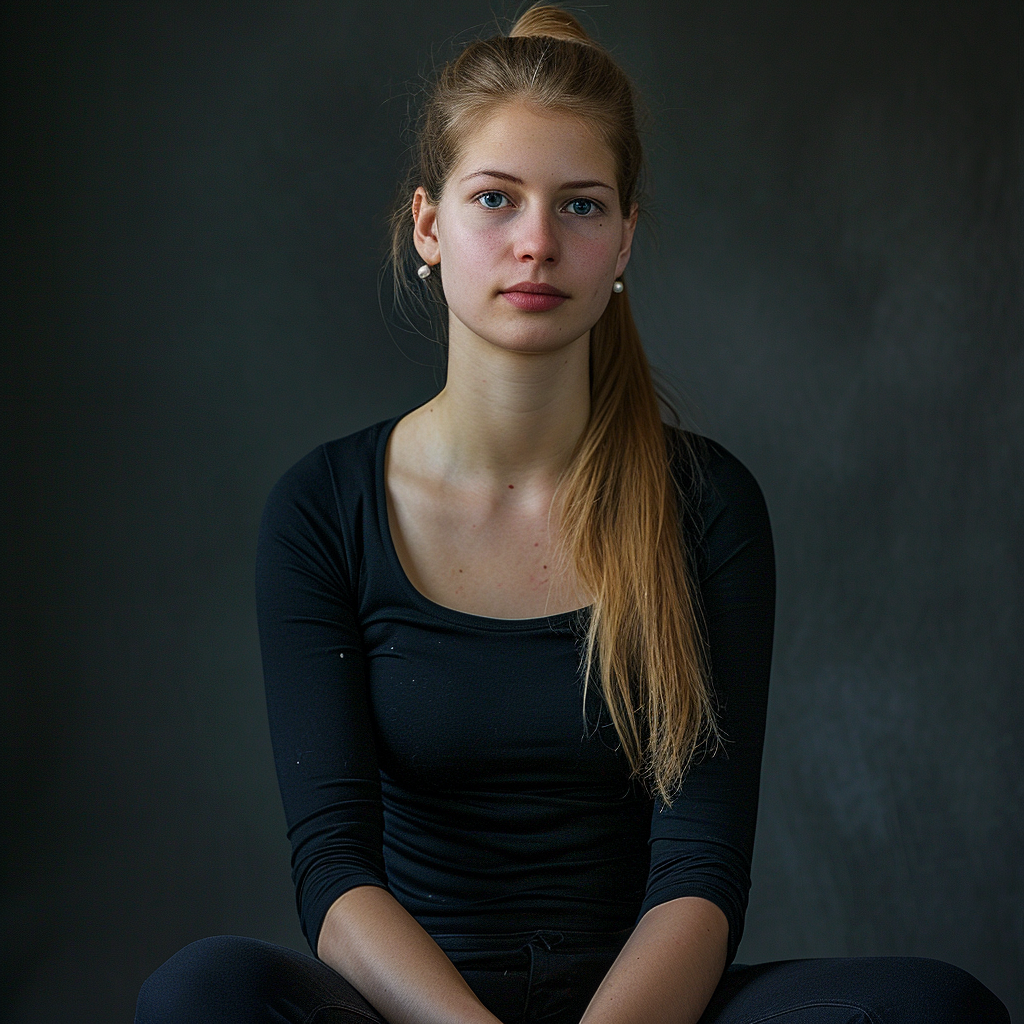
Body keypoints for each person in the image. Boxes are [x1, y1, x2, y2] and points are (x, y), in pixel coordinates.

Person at [136, 6, 1010, 1023]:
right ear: (428, 224)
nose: (537, 243)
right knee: (202, 990)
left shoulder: (705, 505)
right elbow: (333, 872)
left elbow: (701, 871)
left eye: (581, 206)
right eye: (495, 200)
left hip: (646, 1009)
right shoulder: (325, 508)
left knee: (933, 1007)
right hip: (414, 1014)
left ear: (626, 233)